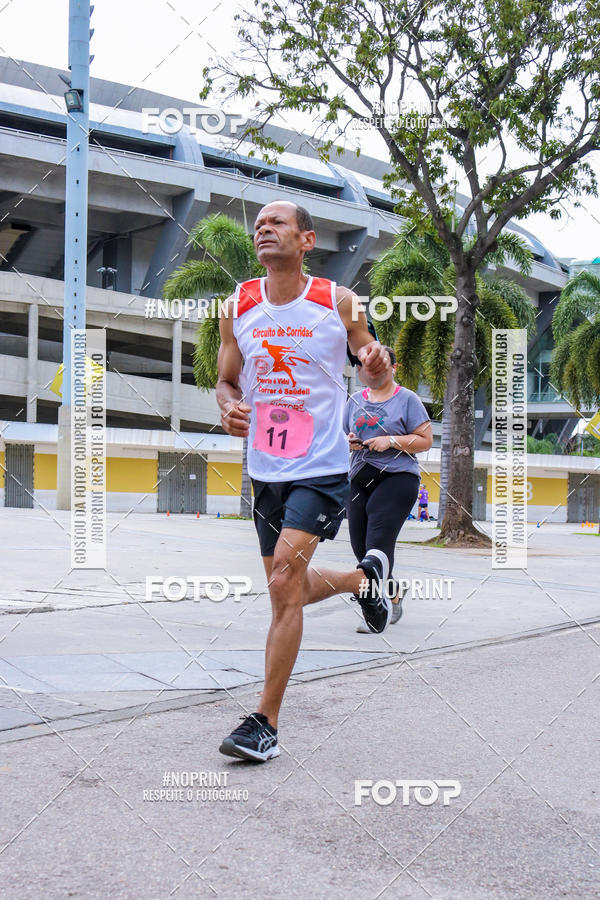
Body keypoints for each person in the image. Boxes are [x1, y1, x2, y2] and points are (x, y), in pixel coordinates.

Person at [216, 199, 393, 762]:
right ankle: (364, 582)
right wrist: (228, 406)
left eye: (278, 224)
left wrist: (375, 363)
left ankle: (263, 722)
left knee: (282, 586)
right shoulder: (237, 305)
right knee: (285, 585)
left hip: (320, 466)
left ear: (307, 240)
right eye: (259, 225)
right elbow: (226, 381)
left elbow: (371, 356)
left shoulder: (335, 301)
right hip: (265, 468)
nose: (264, 230)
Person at [344, 346, 432, 632]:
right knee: (362, 550)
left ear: (393, 368)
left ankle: (374, 612)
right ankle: (393, 593)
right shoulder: (355, 400)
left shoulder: (408, 399)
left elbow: (425, 440)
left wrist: (391, 441)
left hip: (397, 476)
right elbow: (341, 434)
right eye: (366, 367)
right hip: (360, 476)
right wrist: (349, 440)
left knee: (377, 541)